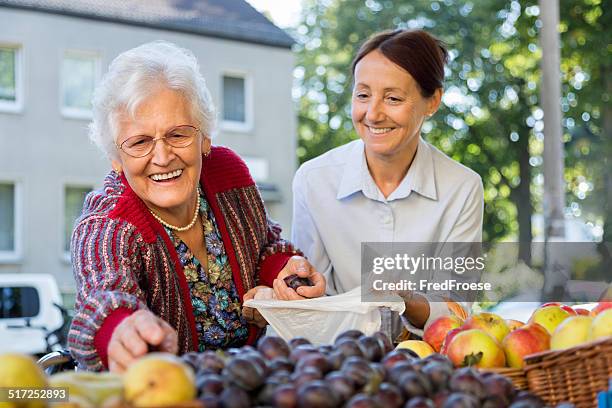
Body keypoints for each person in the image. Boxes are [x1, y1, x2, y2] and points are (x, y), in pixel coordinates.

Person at [68, 41, 325, 372]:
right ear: (115, 158)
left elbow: (265, 244)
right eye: (140, 142)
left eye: (178, 135)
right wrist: (120, 329)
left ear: (205, 137)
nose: (162, 157)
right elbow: (103, 297)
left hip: (248, 384)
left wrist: (283, 274)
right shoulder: (107, 224)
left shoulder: (227, 173)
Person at [291, 29, 483, 336]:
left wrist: (406, 300)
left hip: (424, 365)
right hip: (338, 363)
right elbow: (308, 297)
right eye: (363, 95)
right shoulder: (314, 180)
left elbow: (457, 309)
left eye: (393, 98)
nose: (373, 114)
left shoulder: (462, 188)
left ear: (432, 101)